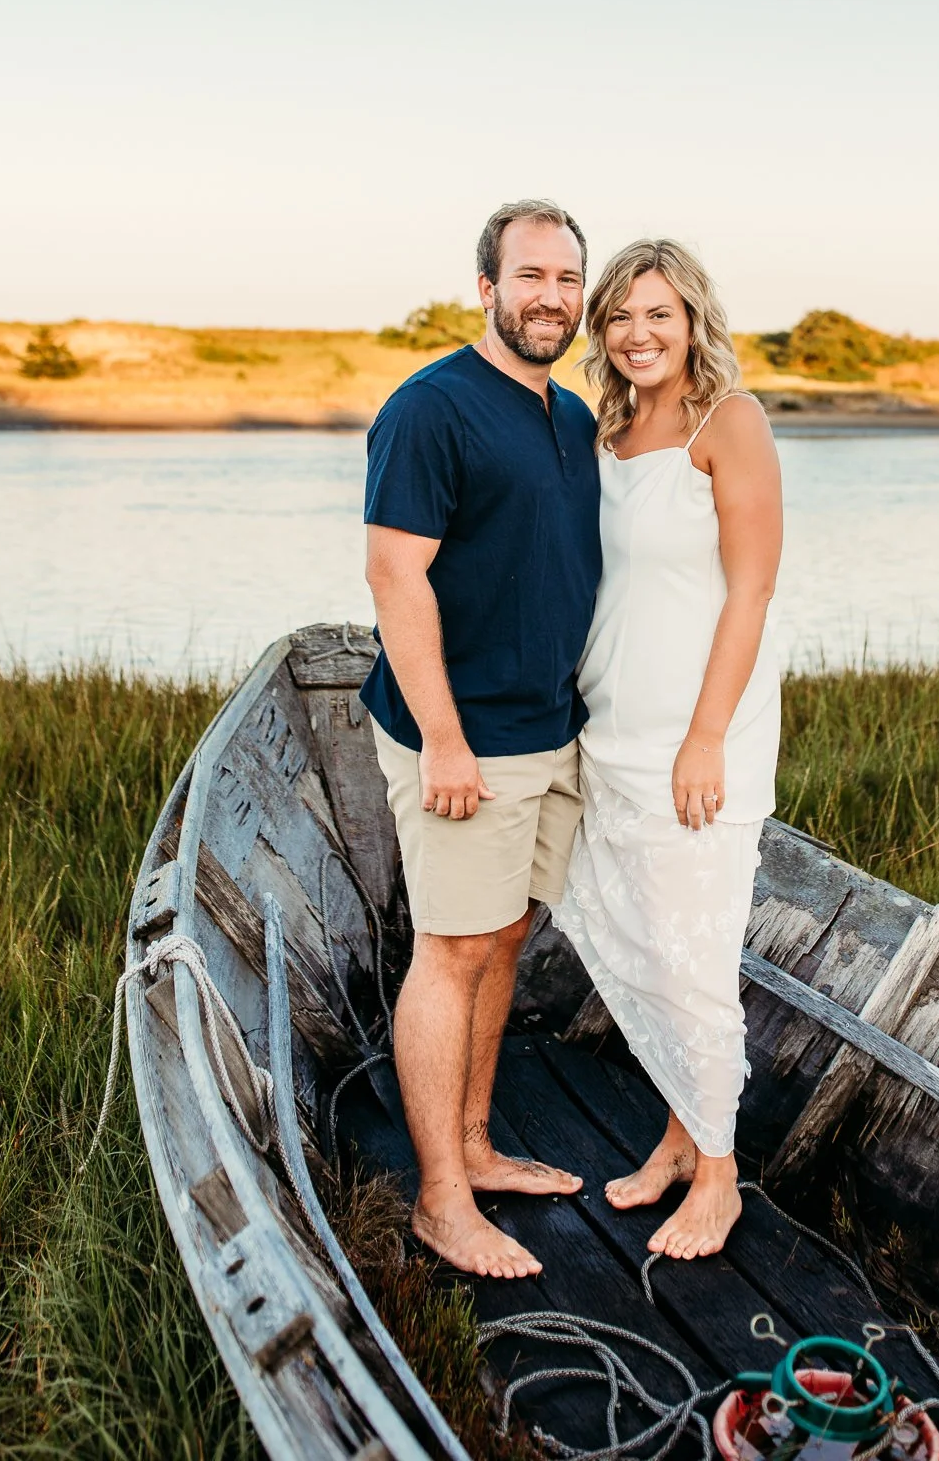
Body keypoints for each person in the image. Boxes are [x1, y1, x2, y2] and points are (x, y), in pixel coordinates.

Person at [360, 199, 601, 1279]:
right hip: (463, 736)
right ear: (487, 287)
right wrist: (446, 737)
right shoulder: (431, 408)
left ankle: (471, 1142)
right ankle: (440, 1202)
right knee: (452, 951)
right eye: (530, 275)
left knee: (504, 936)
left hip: (551, 729)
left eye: (566, 279)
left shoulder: (572, 414)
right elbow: (394, 573)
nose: (550, 296)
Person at [553, 238, 783, 1261]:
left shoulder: (730, 421)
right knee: (638, 935)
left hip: (699, 739)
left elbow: (753, 590)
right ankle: (679, 1136)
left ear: (693, 319)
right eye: (620, 317)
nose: (639, 334)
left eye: (659, 314)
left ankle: (722, 1175)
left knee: (692, 958)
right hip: (611, 723)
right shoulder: (607, 426)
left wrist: (704, 736)